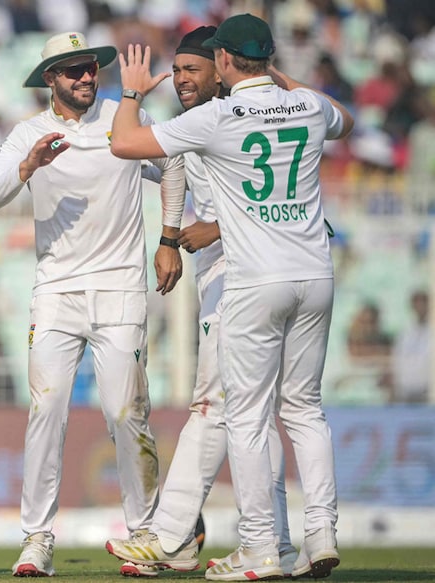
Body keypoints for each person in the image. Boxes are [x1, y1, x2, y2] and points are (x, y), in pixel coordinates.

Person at [108, 13, 354, 581]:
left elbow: (125, 142)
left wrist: (130, 92)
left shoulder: (218, 117)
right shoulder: (309, 107)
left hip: (253, 279)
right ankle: (320, 534)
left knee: (242, 417)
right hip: (315, 274)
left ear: (222, 62)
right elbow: (345, 120)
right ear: (269, 58)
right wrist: (285, 82)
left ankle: (258, 547)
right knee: (304, 412)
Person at [0, 31, 187, 578]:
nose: (87, 78)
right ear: (49, 78)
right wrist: (28, 168)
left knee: (125, 412)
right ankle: (37, 537)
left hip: (119, 289)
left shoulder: (122, 116)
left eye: (91, 68)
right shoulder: (29, 134)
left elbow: (176, 165)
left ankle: (144, 536)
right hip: (57, 293)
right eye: (73, 71)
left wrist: (168, 239)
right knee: (46, 411)